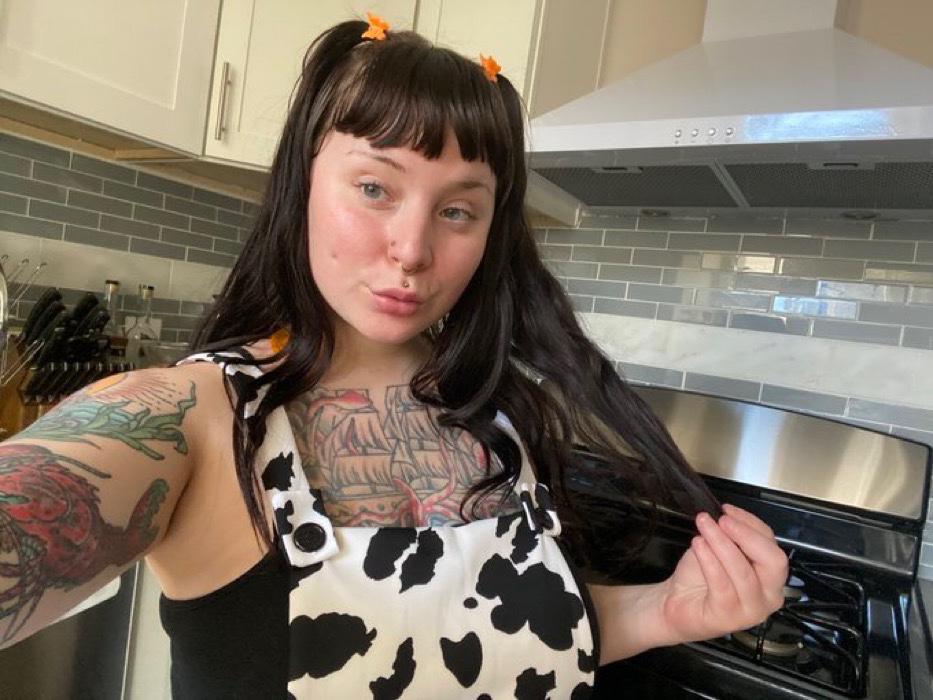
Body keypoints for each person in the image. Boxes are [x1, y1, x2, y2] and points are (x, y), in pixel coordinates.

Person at [0, 14, 788, 698]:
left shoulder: (498, 412)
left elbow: (514, 635)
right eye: (375, 188)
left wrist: (664, 611)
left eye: (458, 210)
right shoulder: (194, 418)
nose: (412, 248)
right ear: (303, 184)